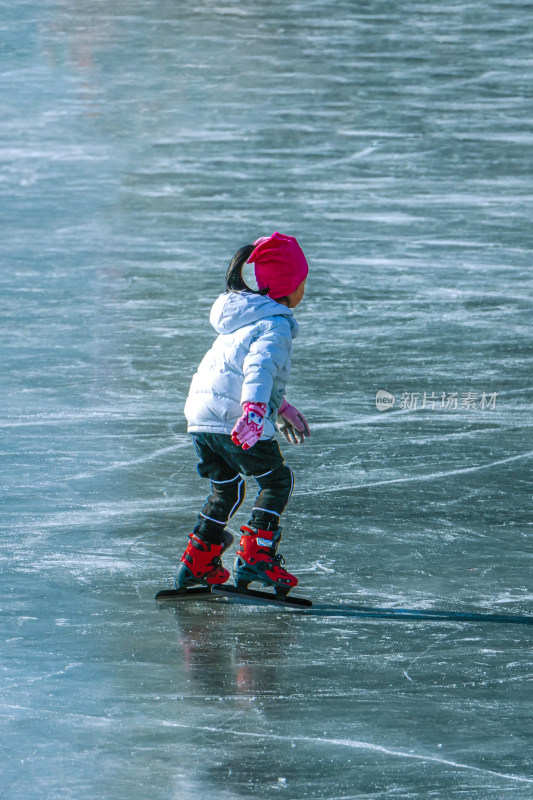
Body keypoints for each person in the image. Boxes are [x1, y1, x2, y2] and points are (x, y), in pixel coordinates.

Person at [176, 232, 310, 597]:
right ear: (290, 287)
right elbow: (260, 369)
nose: (303, 291)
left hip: (202, 419)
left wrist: (278, 407)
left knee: (228, 489)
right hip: (234, 418)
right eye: (302, 283)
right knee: (277, 481)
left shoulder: (242, 320)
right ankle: (256, 557)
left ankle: (197, 563)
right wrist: (254, 412)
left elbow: (237, 371)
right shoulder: (276, 324)